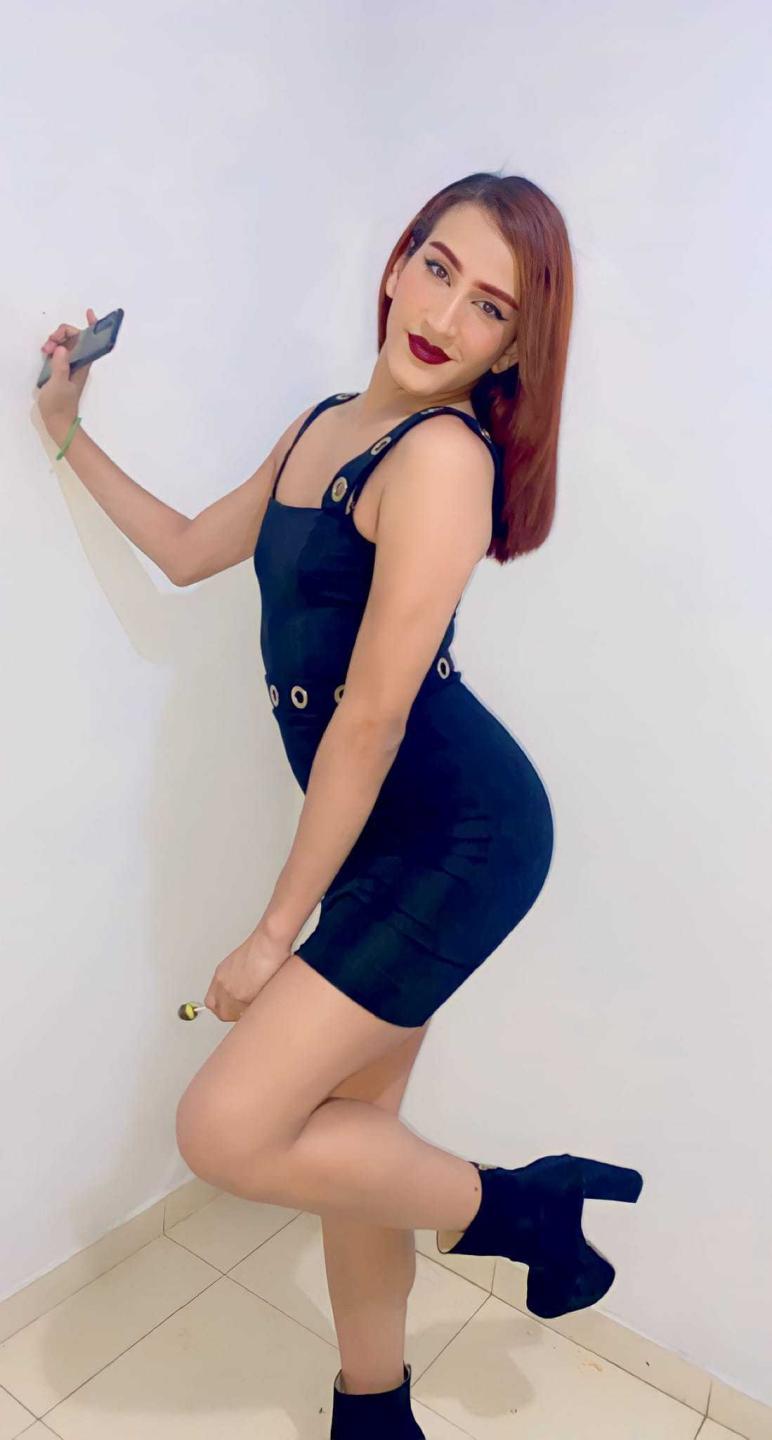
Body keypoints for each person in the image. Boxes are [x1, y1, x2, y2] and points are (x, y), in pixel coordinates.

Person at [37, 171, 643, 1440]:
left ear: (511, 349)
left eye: (491, 308)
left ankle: (517, 1208)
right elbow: (191, 549)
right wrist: (66, 431)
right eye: (439, 269)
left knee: (224, 1127)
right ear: (398, 261)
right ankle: (375, 1410)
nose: (445, 316)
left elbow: (370, 715)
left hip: (461, 836)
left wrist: (273, 933)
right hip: (382, 832)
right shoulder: (325, 424)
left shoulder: (443, 459)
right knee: (353, 1135)